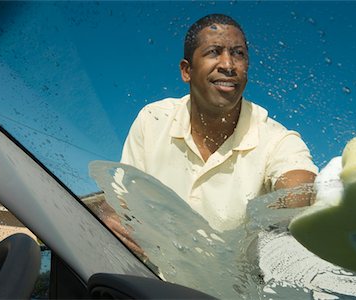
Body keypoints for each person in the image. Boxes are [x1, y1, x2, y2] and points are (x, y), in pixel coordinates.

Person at [120, 14, 318, 232]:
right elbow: (122, 201)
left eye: (238, 54)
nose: (228, 64)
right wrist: (116, 222)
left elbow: (299, 185)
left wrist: (292, 209)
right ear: (187, 71)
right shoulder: (153, 120)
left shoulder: (275, 138)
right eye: (214, 52)